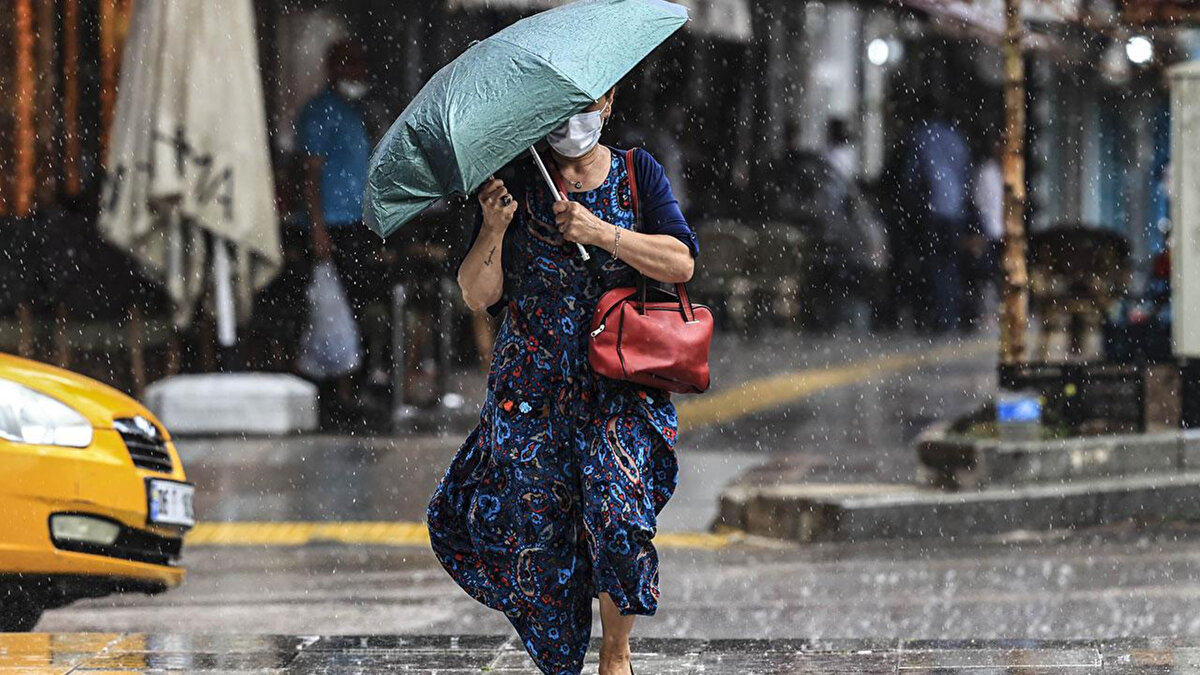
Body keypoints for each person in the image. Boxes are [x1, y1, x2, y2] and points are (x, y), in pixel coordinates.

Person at [426, 87, 699, 675]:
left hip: (620, 382)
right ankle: (561, 658)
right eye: (560, 107)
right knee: (539, 537)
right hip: (533, 389)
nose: (573, 120)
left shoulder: (636, 171)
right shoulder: (521, 178)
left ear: (608, 105)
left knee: (618, 511)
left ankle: (615, 650)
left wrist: (601, 233)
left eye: (588, 104)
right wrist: (494, 227)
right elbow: (477, 293)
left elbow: (681, 263)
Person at [295, 39, 379, 427]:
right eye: (351, 65)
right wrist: (317, 230)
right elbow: (308, 176)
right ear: (333, 69)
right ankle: (335, 394)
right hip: (331, 224)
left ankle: (351, 388)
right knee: (333, 309)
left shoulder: (354, 112)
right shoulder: (319, 113)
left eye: (362, 64)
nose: (359, 73)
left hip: (355, 222)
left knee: (354, 307)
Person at [904, 107, 973, 334]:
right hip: (955, 212)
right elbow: (966, 175)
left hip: (932, 209)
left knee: (933, 264)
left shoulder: (922, 135)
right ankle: (951, 314)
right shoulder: (957, 138)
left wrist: (913, 202)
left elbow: (912, 174)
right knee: (952, 264)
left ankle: (939, 315)